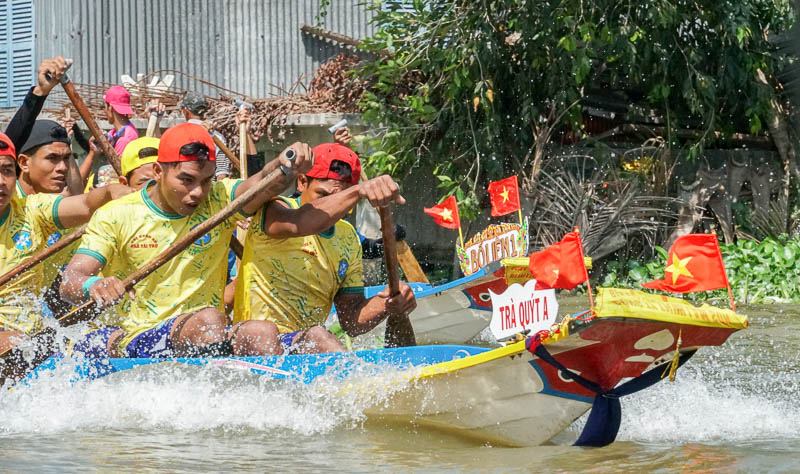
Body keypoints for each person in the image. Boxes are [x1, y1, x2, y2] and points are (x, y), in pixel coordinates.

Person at [60, 123, 312, 358]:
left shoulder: (220, 200)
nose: (198, 192)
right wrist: (94, 285)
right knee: (210, 321)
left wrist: (285, 164)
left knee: (263, 333)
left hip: (204, 333)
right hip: (139, 336)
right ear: (158, 171)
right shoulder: (116, 214)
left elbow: (263, 182)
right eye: (186, 180)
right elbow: (70, 280)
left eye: (206, 181)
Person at [232, 143, 416, 355]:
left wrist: (388, 302)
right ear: (302, 182)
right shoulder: (275, 210)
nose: (334, 207)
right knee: (317, 336)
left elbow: (352, 323)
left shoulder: (348, 237)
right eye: (323, 195)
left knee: (316, 336)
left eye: (341, 199)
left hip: (301, 346)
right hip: (254, 340)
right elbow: (303, 222)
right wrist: (358, 191)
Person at [0, 132, 131, 358]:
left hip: (32, 341)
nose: (1, 182)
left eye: (6, 171)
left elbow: (86, 205)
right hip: (16, 344)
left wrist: (110, 193)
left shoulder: (32, 209)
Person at [79, 85, 139, 183]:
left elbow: (114, 175)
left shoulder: (125, 139)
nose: (104, 111)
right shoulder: (117, 132)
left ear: (110, 108)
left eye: (105, 107)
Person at [180, 92, 232, 180]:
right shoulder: (218, 137)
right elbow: (221, 174)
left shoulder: (178, 133)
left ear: (185, 111)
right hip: (208, 188)